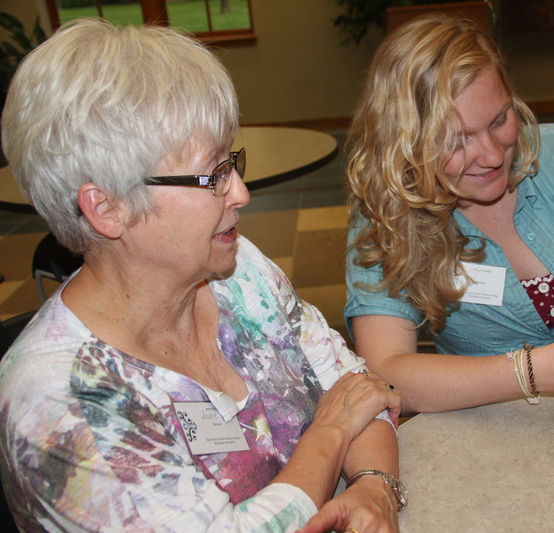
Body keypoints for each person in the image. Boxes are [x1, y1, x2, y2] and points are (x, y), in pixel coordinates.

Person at [0, 20, 404, 533]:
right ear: (107, 207)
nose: (240, 193)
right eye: (212, 175)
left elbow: (358, 389)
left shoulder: (239, 273)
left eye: (230, 163)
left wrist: (373, 485)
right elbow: (340, 412)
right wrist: (328, 433)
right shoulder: (63, 400)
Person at [344, 14, 554, 415]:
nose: (492, 154)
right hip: (493, 425)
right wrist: (538, 372)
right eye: (456, 141)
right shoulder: (385, 212)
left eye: (499, 120)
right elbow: (387, 373)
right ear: (405, 145)